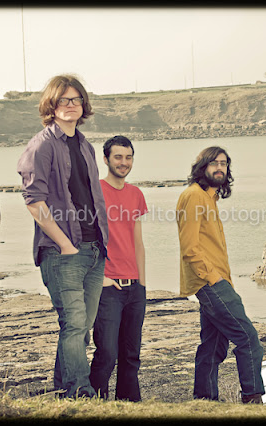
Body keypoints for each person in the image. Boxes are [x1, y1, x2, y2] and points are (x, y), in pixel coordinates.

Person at [17, 74, 108, 398]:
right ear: (52, 105)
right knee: (74, 323)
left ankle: (62, 388)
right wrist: (66, 245)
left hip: (94, 250)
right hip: (62, 252)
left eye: (76, 99)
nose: (71, 105)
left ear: (84, 105)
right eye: (64, 100)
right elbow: (34, 201)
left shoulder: (85, 146)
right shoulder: (41, 146)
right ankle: (80, 390)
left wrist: (102, 244)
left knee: (81, 328)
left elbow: (92, 197)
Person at [176, 146, 265, 404]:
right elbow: (190, 248)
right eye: (214, 163)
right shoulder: (193, 196)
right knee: (248, 338)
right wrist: (214, 279)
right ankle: (252, 399)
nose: (219, 168)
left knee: (213, 346)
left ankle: (204, 401)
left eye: (224, 164)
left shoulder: (209, 198)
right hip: (210, 282)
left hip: (215, 280)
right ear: (202, 166)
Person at [90, 135, 148, 401]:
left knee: (131, 355)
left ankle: (130, 405)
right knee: (106, 353)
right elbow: (84, 239)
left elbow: (138, 242)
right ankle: (95, 404)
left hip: (134, 287)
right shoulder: (95, 192)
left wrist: (142, 284)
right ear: (106, 160)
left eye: (128, 157)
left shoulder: (136, 194)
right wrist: (99, 277)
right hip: (108, 287)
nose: (124, 162)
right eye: (118, 157)